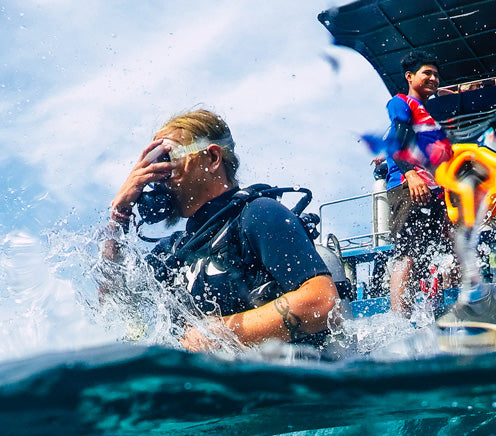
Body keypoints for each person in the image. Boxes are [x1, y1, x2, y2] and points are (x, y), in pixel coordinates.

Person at [103, 109, 338, 351]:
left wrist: (223, 333)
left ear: (213, 158)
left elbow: (323, 302)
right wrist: (119, 216)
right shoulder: (173, 252)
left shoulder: (259, 214)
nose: (158, 176)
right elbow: (112, 303)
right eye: (154, 164)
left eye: (168, 158)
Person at [382, 51, 456, 316]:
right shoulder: (400, 102)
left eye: (436, 74)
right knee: (409, 254)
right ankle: (399, 321)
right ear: (410, 77)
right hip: (408, 187)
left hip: (433, 191)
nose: (433, 78)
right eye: (427, 73)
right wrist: (410, 174)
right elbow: (396, 139)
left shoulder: (429, 114)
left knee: (434, 257)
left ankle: (429, 315)